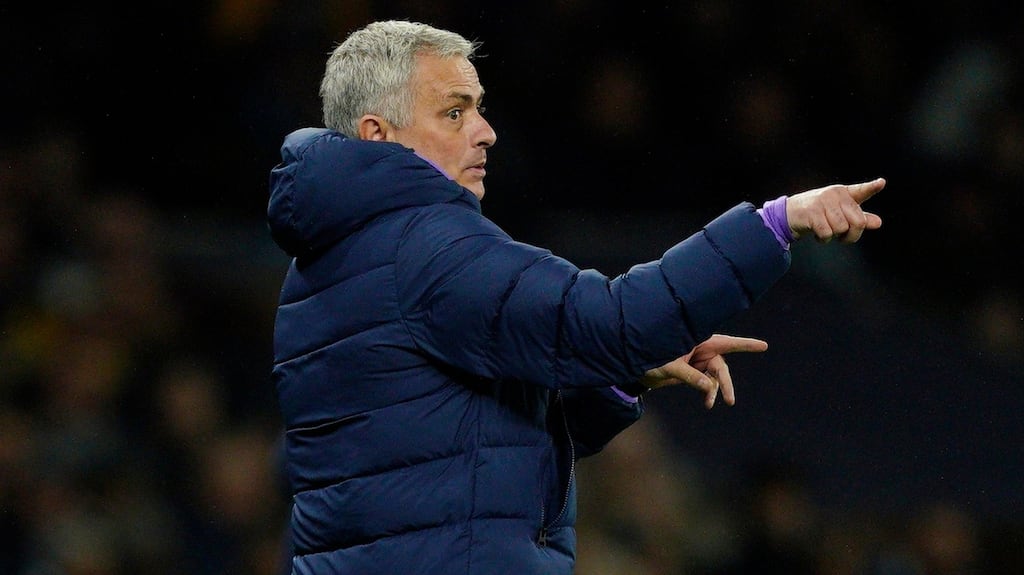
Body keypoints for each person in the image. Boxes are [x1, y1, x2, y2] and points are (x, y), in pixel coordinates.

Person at [266, 19, 885, 575]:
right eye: (454, 112)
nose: (486, 132)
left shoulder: (330, 260)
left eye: (478, 108)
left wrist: (623, 376)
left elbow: (468, 453)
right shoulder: (424, 245)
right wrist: (775, 222)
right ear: (378, 134)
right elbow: (610, 320)